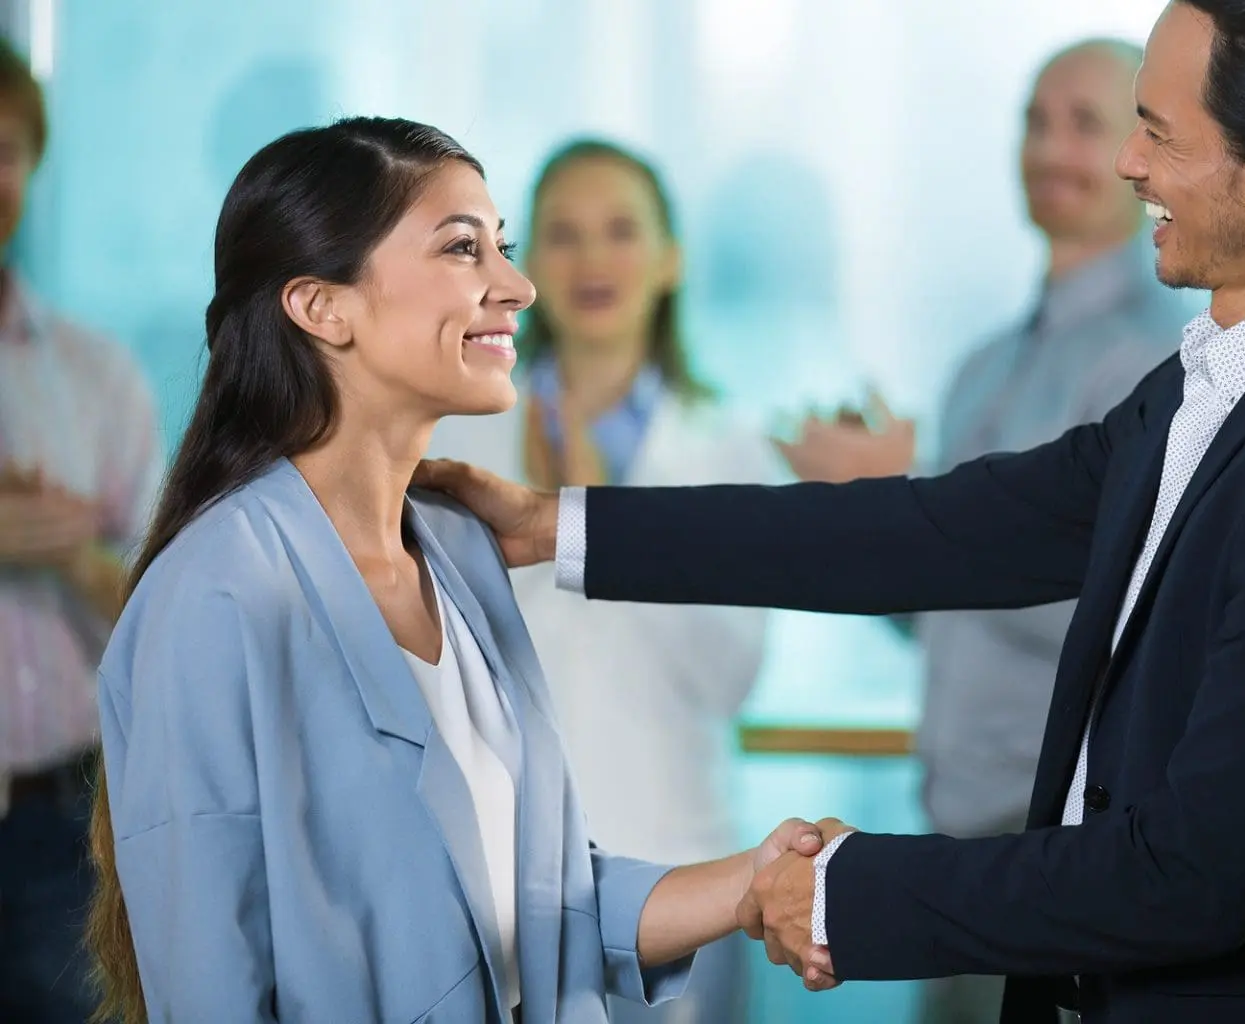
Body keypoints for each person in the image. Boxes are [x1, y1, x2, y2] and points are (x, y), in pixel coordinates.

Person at [415, 0, 1245, 1019]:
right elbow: (943, 532)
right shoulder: (1233, 380)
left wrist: (843, 892)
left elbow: (1192, 875)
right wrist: (556, 525)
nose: (1129, 164)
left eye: (1157, 133)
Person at [84, 117, 829, 1024]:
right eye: (463, 248)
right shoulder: (214, 593)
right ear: (322, 307)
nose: (519, 287)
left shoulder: (459, 548)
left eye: (501, 248)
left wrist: (753, 881)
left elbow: (537, 909)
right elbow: (211, 986)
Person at [777, 39, 1189, 1024]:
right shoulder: (981, 369)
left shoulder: (1161, 361)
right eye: (1035, 122)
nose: (1051, 148)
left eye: (1084, 123)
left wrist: (911, 500)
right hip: (954, 847)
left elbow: (1129, 610)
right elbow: (939, 616)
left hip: (1061, 847)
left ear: (1143, 149)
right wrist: (875, 518)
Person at [429, 138, 778, 1024]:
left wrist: (598, 528)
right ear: (524, 265)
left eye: (621, 231)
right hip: (496, 879)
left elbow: (728, 676)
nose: (592, 259)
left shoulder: (728, 448)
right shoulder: (454, 435)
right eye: (563, 234)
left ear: (670, 259)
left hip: (678, 866)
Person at [0, 39, 162, 1024]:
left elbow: (166, 617)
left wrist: (68, 551)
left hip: (65, 830)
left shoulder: (97, 378)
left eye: (6, 151)